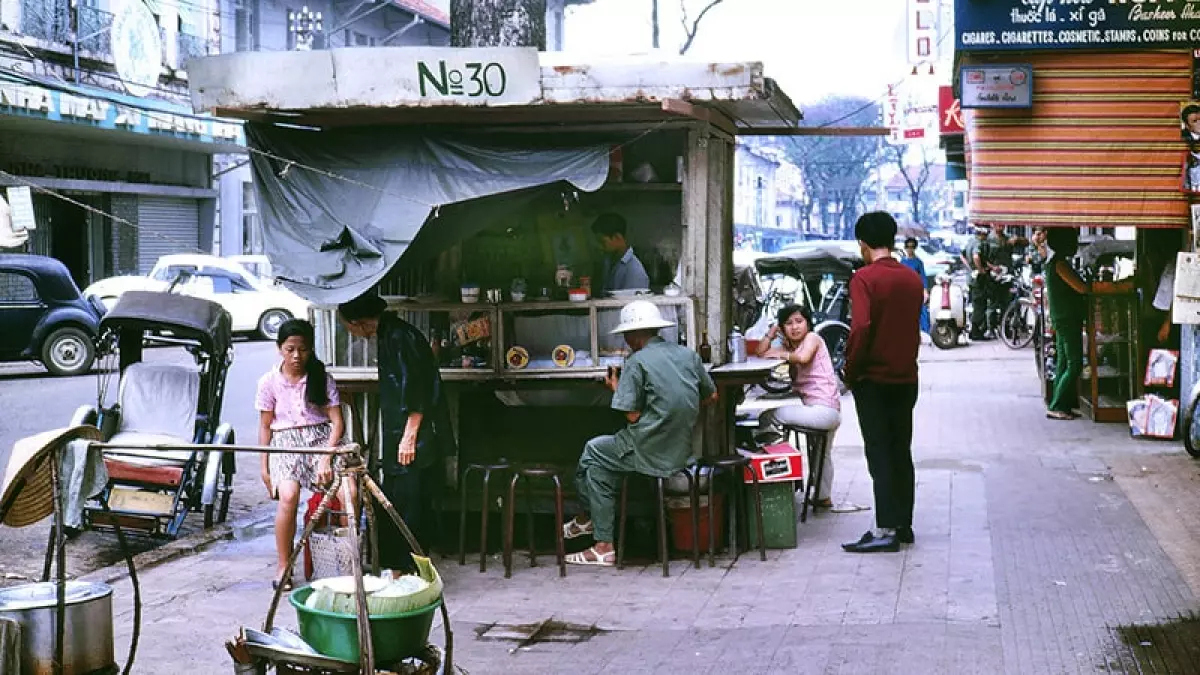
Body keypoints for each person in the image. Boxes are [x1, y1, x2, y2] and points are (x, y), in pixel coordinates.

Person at [563, 300, 716, 566]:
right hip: (681, 451)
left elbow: (631, 414)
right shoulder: (687, 354)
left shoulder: (637, 361)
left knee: (592, 451)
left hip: (648, 448)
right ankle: (600, 539)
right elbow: (711, 395)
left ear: (633, 335)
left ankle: (591, 523)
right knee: (599, 472)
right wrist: (675, 412)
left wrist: (615, 387)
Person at [338, 291, 456, 573]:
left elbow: (418, 390)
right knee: (401, 499)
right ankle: (401, 570)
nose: (350, 332)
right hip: (402, 434)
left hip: (415, 436)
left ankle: (409, 570)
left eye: (349, 326)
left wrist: (409, 436)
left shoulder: (401, 337)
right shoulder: (390, 334)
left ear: (359, 322)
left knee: (409, 503)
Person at [841, 212, 924, 554]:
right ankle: (903, 524)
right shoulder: (912, 279)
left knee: (879, 452)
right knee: (900, 449)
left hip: (873, 379)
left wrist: (850, 369)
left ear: (863, 243)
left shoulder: (864, 279)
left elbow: (860, 328)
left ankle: (885, 528)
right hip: (906, 377)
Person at [256, 318, 345, 590]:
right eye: (290, 349)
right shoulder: (269, 382)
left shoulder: (321, 377)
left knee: (349, 492)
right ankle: (284, 565)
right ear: (279, 349)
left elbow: (337, 422)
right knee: (289, 496)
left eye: (303, 349)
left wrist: (326, 457)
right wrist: (264, 469)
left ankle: (346, 561)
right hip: (286, 443)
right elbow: (265, 426)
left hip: (322, 439)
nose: (297, 356)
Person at [754, 303, 841, 507]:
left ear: (808, 324)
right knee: (822, 452)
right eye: (788, 323)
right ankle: (822, 497)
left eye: (799, 321)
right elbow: (760, 352)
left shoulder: (813, 338)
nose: (795, 327)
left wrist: (780, 354)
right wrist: (771, 333)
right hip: (825, 410)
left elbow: (803, 358)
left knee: (768, 417)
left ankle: (779, 470)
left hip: (824, 410)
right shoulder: (789, 346)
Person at [1044, 229, 1089, 421]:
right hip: (1067, 319)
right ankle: (1056, 405)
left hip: (1062, 318)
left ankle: (1058, 402)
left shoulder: (1054, 263)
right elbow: (1081, 287)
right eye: (1073, 241)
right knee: (1075, 363)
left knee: (1063, 363)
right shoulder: (1060, 264)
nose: (1076, 244)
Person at [592, 213, 650, 291]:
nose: (600, 247)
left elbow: (632, 303)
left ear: (617, 237)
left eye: (602, 242)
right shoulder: (609, 261)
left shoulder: (634, 272)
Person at [964, 226, 991, 340]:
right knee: (980, 305)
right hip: (978, 279)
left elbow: (962, 255)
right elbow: (976, 257)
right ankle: (976, 331)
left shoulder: (971, 241)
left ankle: (975, 329)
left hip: (972, 277)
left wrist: (970, 268)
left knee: (977, 303)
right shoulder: (978, 243)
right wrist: (981, 270)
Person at [899, 237, 931, 335]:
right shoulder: (902, 262)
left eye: (912, 247)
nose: (910, 249)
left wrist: (925, 291)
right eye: (908, 247)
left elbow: (923, 277)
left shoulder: (918, 262)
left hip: (916, 290)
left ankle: (924, 331)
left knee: (921, 311)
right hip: (905, 291)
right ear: (905, 248)